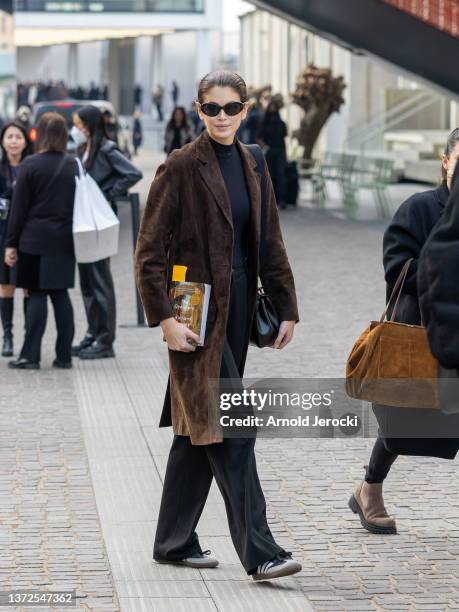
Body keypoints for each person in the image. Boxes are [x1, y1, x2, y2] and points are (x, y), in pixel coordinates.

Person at [135, 70, 302, 581]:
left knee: (198, 429)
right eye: (213, 109)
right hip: (193, 312)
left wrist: (286, 305)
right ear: (198, 110)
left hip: (238, 311)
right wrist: (164, 318)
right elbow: (147, 254)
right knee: (233, 426)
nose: (223, 117)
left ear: (246, 109)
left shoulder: (254, 161)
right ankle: (262, 551)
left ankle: (173, 540)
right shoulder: (181, 166)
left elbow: (269, 238)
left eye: (232, 108)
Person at [349, 128, 459, 534]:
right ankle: (370, 487)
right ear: (445, 162)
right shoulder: (419, 209)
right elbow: (398, 268)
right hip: (421, 333)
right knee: (405, 425)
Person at [5, 113, 77, 370]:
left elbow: (18, 209)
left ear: (40, 135)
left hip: (33, 241)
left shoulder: (31, 165)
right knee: (60, 296)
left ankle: (30, 355)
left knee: (36, 295)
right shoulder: (73, 164)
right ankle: (65, 355)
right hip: (64, 241)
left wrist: (10, 243)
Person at [70, 105, 142, 359]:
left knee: (100, 279)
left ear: (89, 125)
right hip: (85, 221)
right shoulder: (82, 149)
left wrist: (106, 193)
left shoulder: (107, 148)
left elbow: (133, 173)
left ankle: (105, 339)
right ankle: (93, 332)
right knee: (87, 280)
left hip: (99, 220)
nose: (75, 129)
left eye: (79, 124)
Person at [0, 122, 32, 357]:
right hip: (2, 233)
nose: (13, 141)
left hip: (27, 234)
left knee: (28, 287)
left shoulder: (31, 167)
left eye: (17, 136)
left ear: (25, 141)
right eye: (9, 136)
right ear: (2, 141)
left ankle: (27, 338)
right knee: (6, 286)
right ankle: (8, 337)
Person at [257, 102, 288, 208]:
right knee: (270, 176)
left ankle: (282, 200)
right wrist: (265, 147)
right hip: (270, 152)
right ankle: (271, 200)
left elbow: (284, 139)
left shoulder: (281, 124)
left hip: (280, 152)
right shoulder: (264, 123)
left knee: (281, 175)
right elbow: (259, 137)